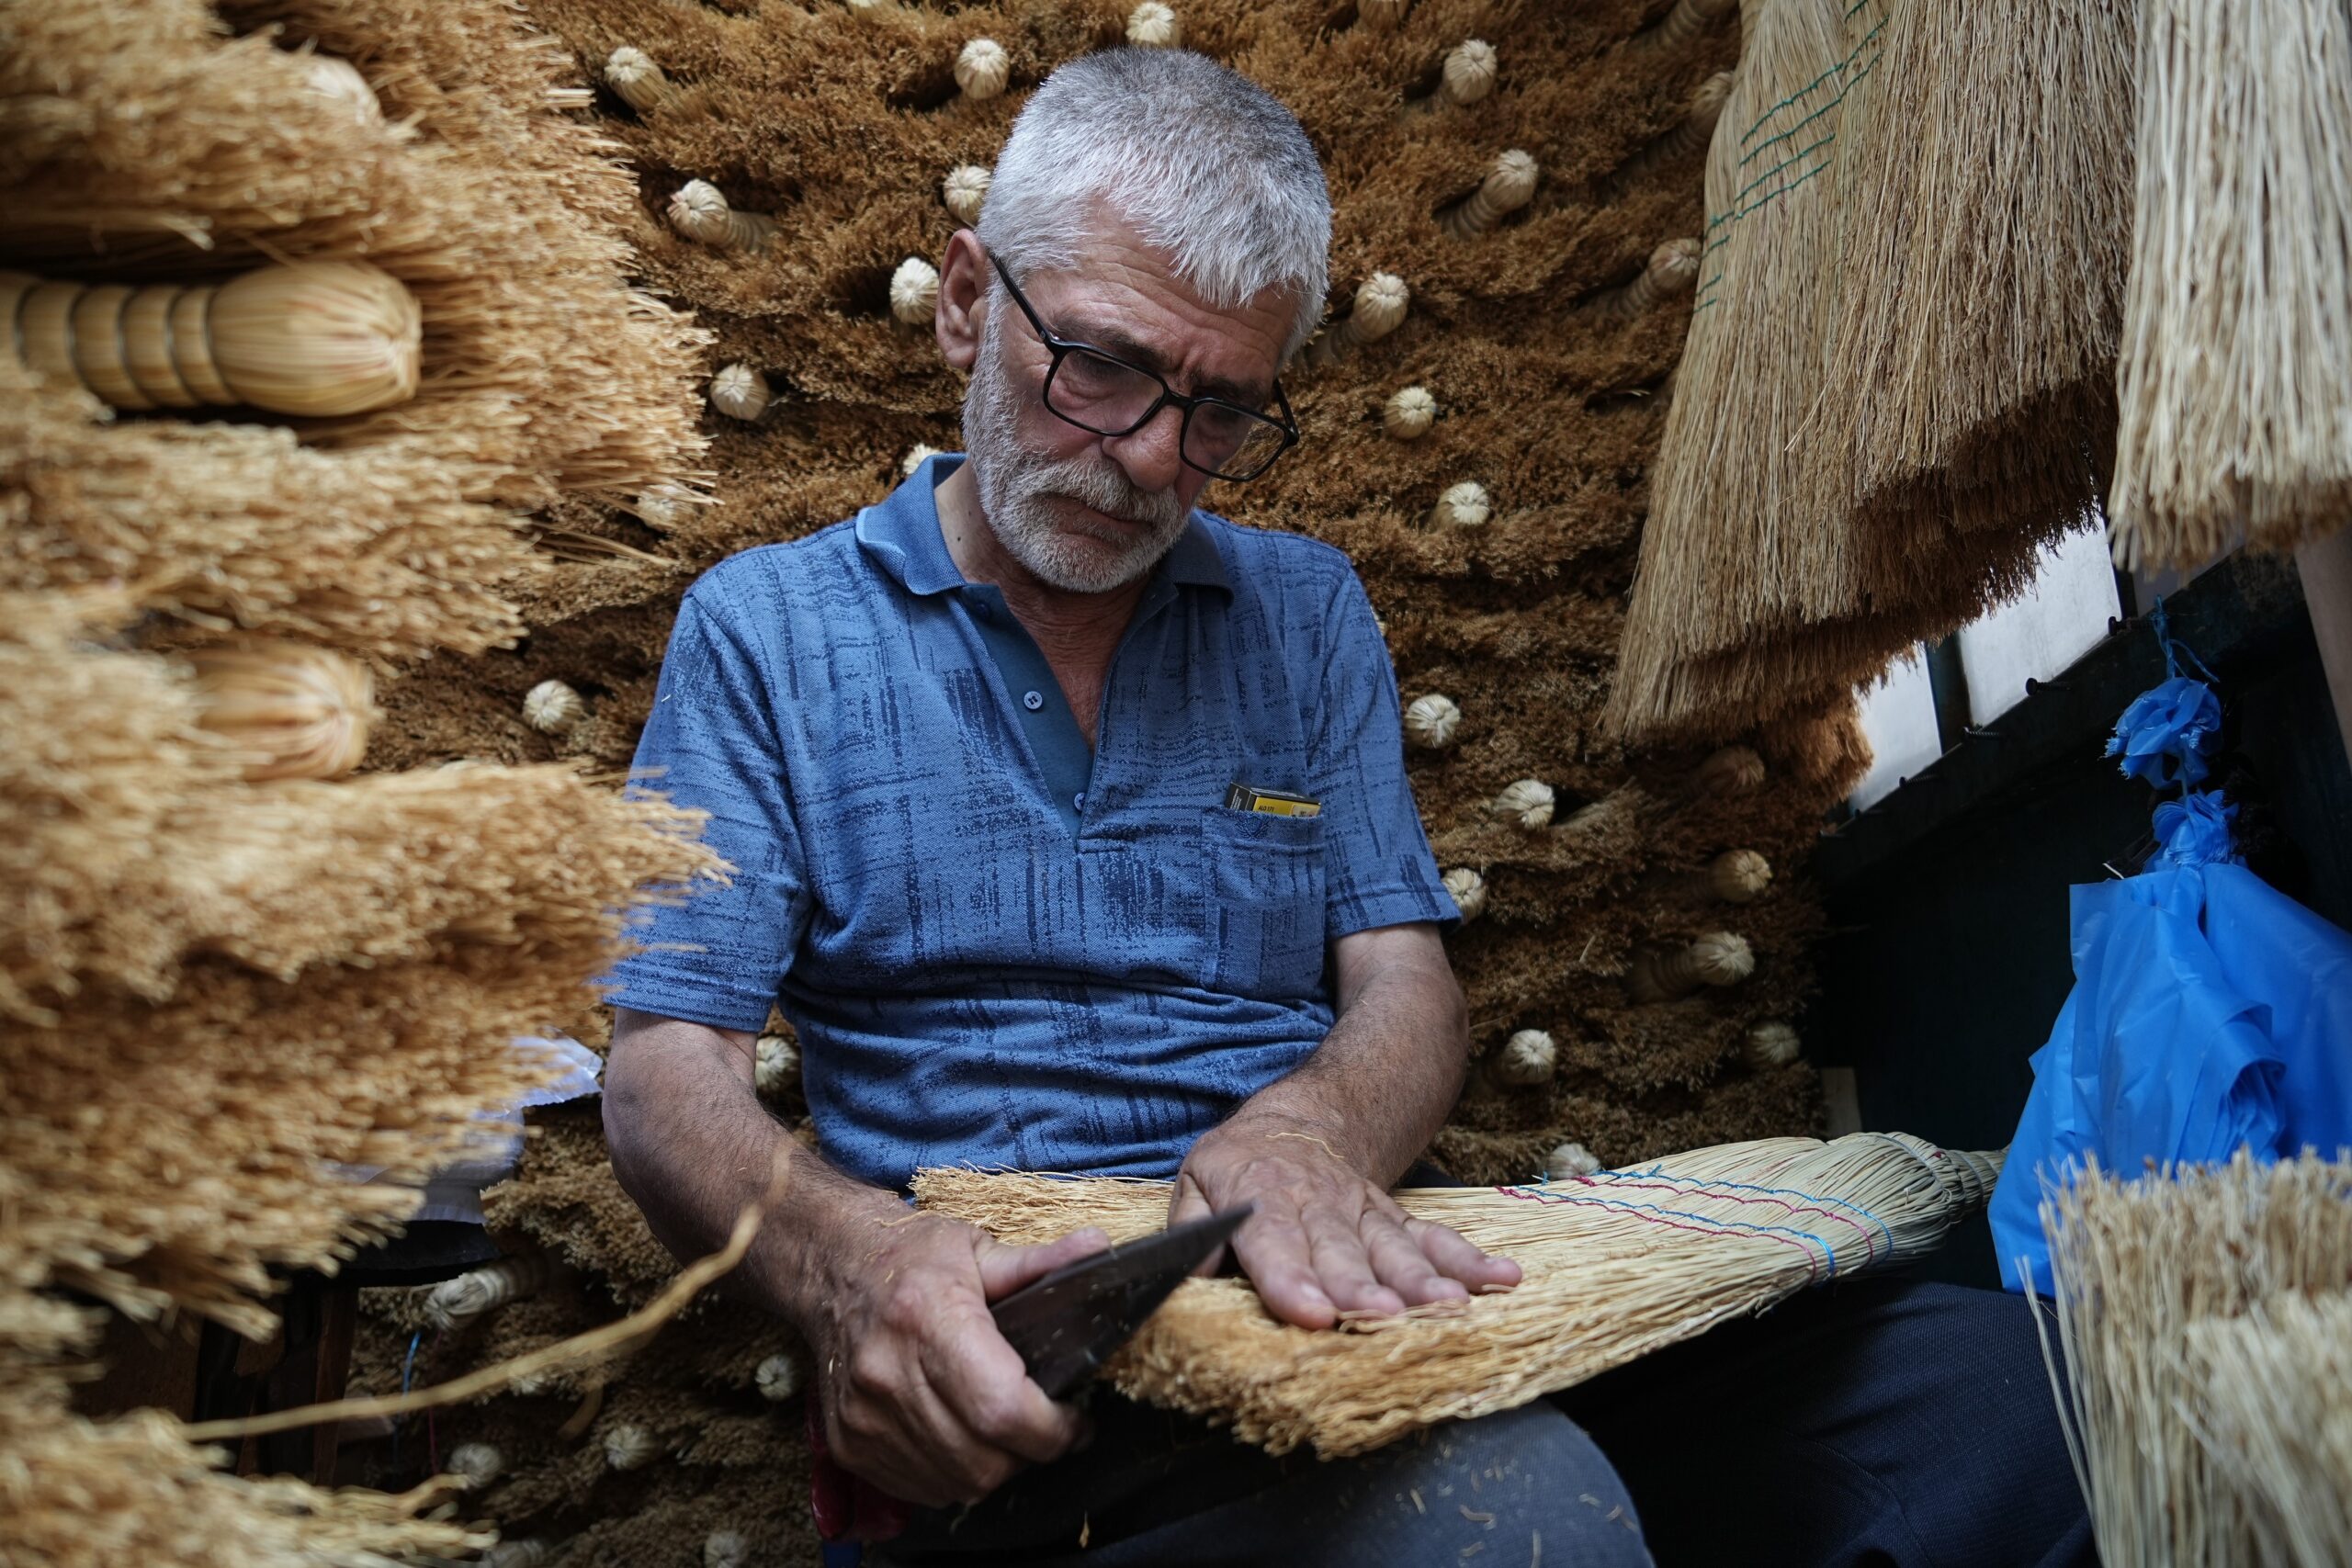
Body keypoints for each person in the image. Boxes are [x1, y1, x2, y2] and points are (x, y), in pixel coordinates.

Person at [600, 47, 2092, 1568]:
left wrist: (1309, 1132)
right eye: (1102, 367)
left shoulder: (1304, 611)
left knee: (2025, 1409)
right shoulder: (766, 630)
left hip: (1355, 1278)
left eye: (1222, 411)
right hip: (1040, 1354)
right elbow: (665, 1069)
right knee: (1519, 1528)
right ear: (970, 301)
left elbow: (1404, 981)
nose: (1149, 462)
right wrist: (854, 1263)